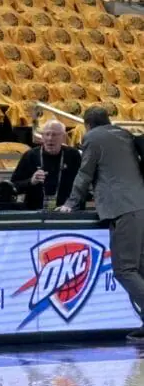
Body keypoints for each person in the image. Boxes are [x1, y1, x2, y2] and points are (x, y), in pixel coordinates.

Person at [57, 106, 144, 343]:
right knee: (140, 268)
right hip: (140, 205)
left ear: (87, 124)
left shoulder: (93, 138)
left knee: (125, 269)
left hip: (123, 208)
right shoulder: (123, 134)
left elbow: (85, 173)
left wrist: (71, 203)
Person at [10, 119, 82, 210]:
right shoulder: (30, 156)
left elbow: (81, 185)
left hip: (66, 210)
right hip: (35, 211)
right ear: (42, 137)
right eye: (47, 134)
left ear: (63, 137)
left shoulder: (73, 155)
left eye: (54, 134)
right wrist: (31, 181)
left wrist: (71, 204)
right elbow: (14, 186)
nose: (50, 138)